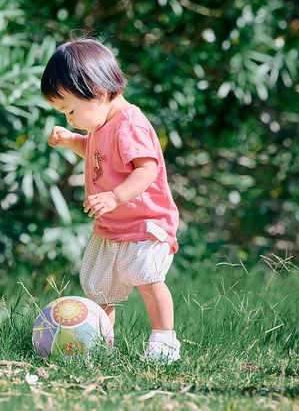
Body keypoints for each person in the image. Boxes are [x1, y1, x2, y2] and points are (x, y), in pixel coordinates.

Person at [40, 38, 181, 364]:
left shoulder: (128, 124)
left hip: (145, 223)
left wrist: (116, 196)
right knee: (100, 290)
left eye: (70, 110)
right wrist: (70, 140)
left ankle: (164, 341)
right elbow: (94, 152)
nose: (70, 118)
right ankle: (98, 343)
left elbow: (147, 169)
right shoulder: (101, 125)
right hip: (113, 227)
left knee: (149, 279)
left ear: (98, 92)